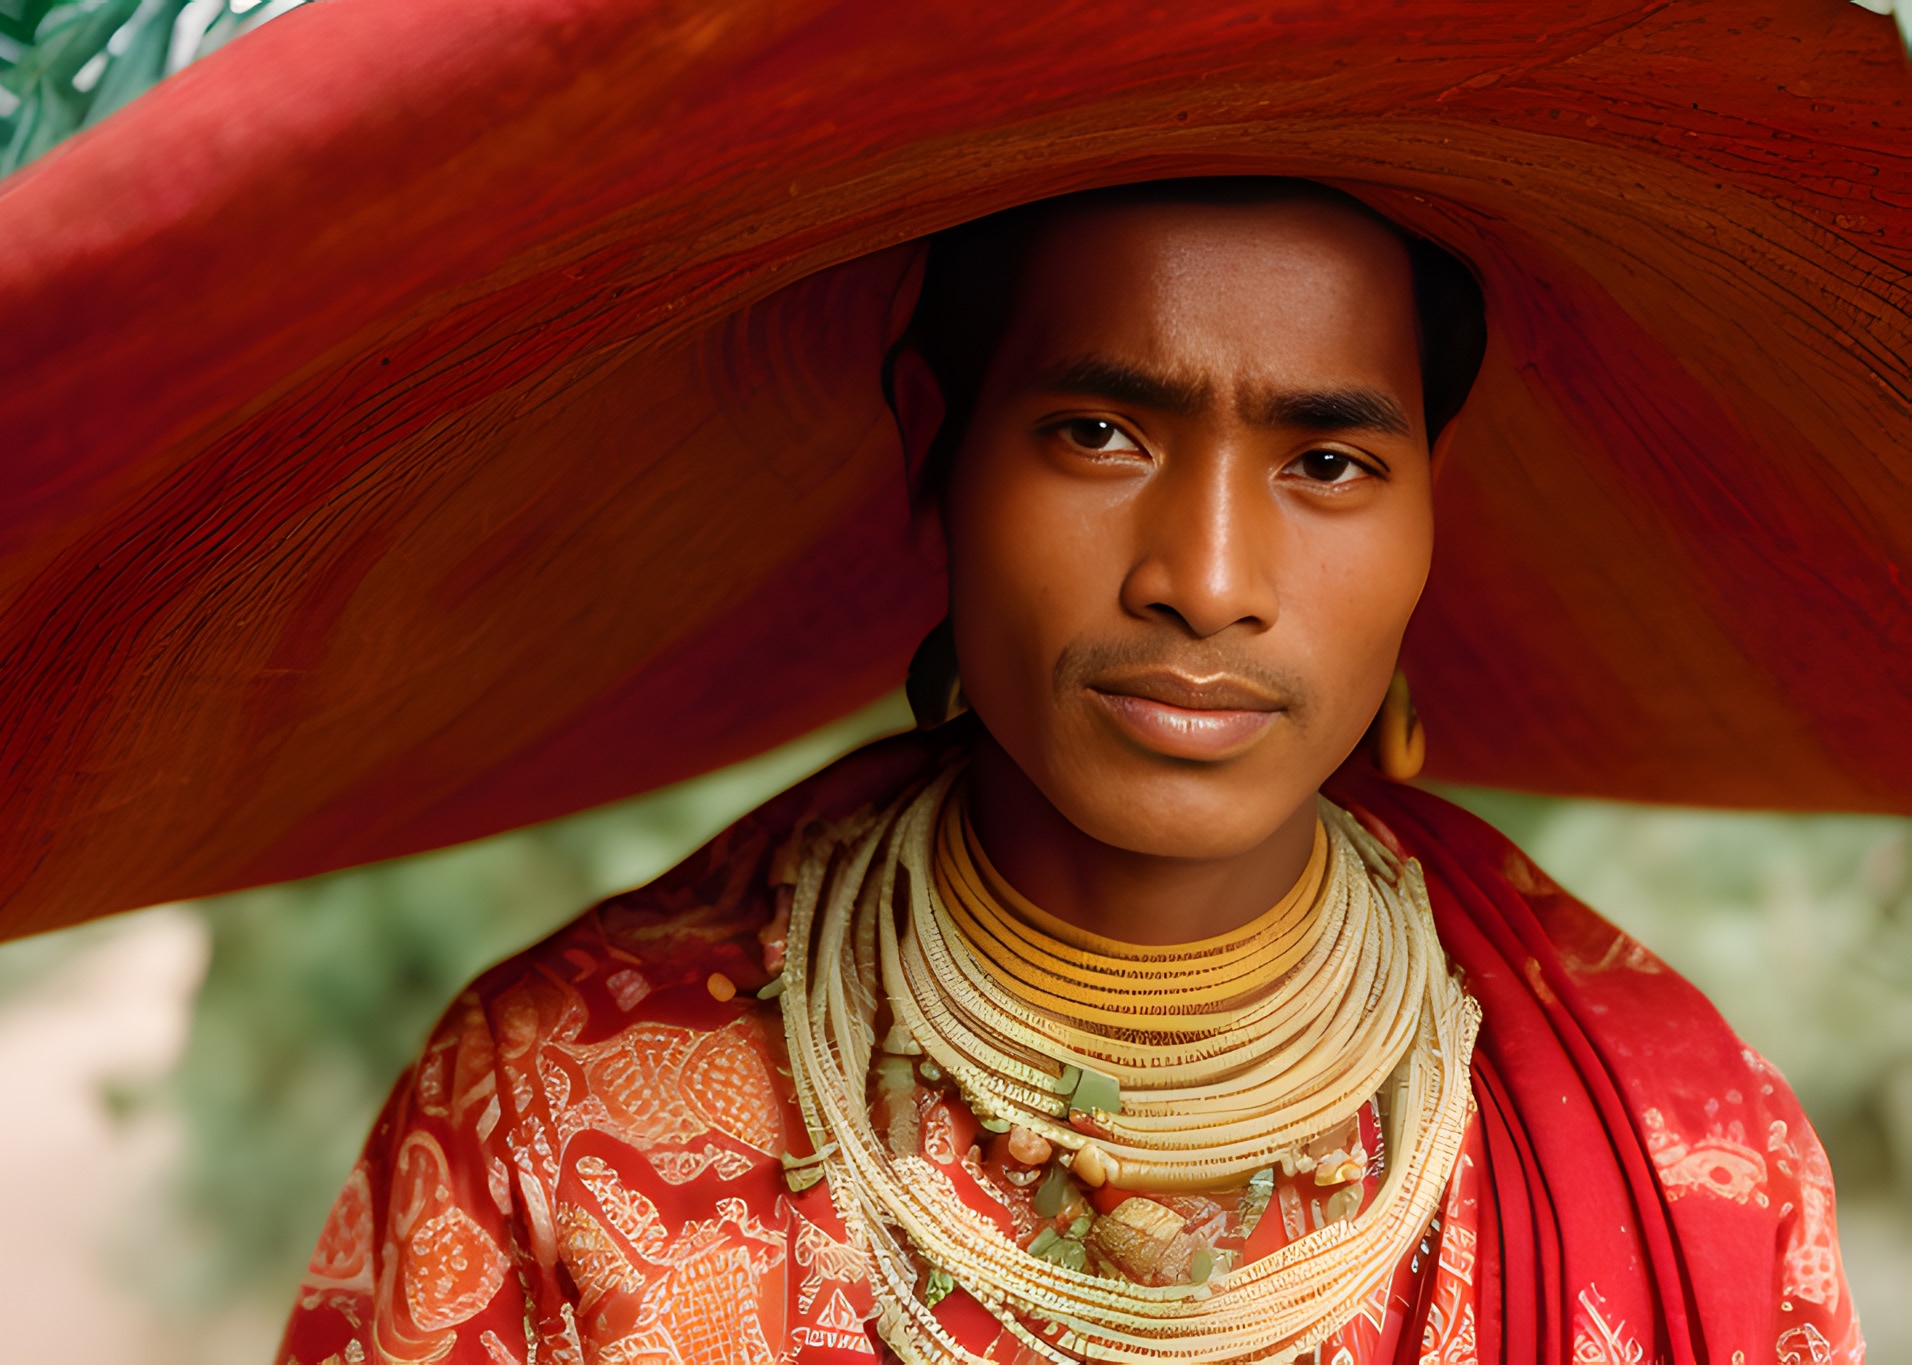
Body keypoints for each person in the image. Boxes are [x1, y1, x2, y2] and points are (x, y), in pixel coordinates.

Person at [275, 180, 1862, 1365]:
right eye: (1101, 430)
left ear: (1431, 508)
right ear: (931, 441)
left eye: (1327, 463)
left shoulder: (1681, 1140)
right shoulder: (548, 1113)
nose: (1209, 576)